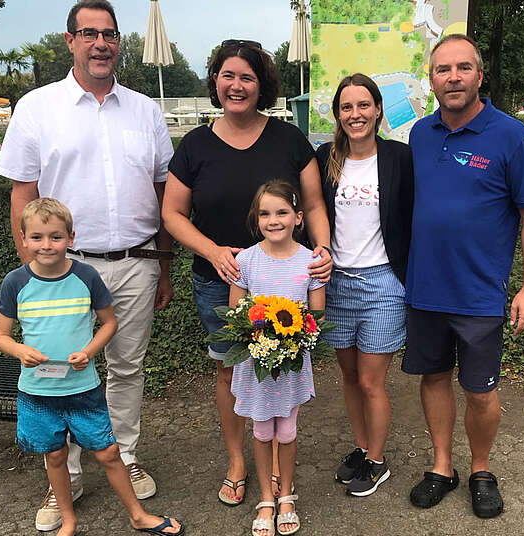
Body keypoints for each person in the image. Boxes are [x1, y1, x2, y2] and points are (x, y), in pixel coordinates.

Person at [0, 1, 175, 530]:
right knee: (55, 370)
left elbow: (164, 193)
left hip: (136, 262)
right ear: (69, 40)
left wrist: (164, 265)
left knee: (124, 367)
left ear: (119, 43)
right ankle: (65, 477)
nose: (101, 43)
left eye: (110, 34)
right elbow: (22, 194)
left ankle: (126, 454)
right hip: (60, 272)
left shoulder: (145, 109)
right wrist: (30, 272)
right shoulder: (37, 107)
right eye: (89, 33)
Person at [163, 39, 331, 507]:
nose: (236, 86)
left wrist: (321, 249)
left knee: (283, 367)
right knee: (231, 369)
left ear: (263, 87)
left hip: (285, 280)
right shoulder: (195, 145)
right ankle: (238, 460)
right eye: (228, 75)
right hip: (220, 281)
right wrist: (214, 251)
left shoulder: (289, 140)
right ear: (215, 80)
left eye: (247, 77)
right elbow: (173, 214)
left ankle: (277, 462)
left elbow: (313, 203)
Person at [404, 34, 524, 518]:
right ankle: (443, 467)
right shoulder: (420, 134)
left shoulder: (511, 136)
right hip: (425, 288)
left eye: (464, 68)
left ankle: (481, 470)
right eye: (443, 70)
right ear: (431, 79)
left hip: (480, 292)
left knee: (481, 390)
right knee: (434, 378)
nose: (453, 77)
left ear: (479, 76)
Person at [0, 198, 183, 536]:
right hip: (37, 392)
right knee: (54, 456)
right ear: (22, 238)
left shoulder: (86, 276)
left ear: (71, 238)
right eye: (37, 237)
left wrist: (90, 351)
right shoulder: (15, 282)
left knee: (110, 452)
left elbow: (109, 323)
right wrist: (20, 350)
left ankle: (138, 515)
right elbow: (1, 337)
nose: (46, 245)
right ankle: (68, 520)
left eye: (56, 237)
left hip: (83, 388)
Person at [315, 73, 413, 497]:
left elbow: (417, 216)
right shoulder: (325, 158)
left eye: (363, 105)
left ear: (377, 110)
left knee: (373, 382)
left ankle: (377, 459)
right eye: (347, 107)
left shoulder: (398, 158)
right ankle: (360, 446)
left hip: (383, 284)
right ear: (338, 115)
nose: (356, 114)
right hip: (336, 284)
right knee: (350, 378)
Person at [228, 180, 324, 536]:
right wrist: (261, 335)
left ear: (298, 217)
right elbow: (236, 312)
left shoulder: (310, 261)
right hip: (256, 364)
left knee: (286, 430)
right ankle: (266, 498)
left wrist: (293, 340)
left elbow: (316, 316)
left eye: (282, 212)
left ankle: (287, 494)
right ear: (257, 219)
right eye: (265, 213)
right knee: (262, 428)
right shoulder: (246, 260)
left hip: (292, 366)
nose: (274, 220)